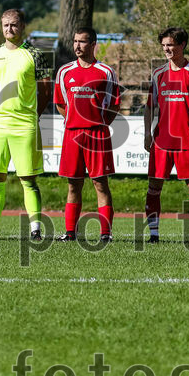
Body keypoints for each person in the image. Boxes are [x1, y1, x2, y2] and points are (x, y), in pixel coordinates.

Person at [0, 9, 52, 240]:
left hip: (25, 124)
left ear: (22, 26)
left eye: (13, 24)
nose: (9, 29)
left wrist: (32, 114)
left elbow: (45, 91)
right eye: (5, 25)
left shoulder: (35, 54)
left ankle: (35, 229)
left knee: (28, 180)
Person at [144, 27, 189, 244]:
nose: (166, 49)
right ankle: (154, 235)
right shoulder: (158, 74)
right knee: (154, 187)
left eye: (171, 45)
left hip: (186, 142)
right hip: (161, 141)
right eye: (164, 45)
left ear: (182, 45)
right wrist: (147, 134)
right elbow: (150, 107)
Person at [54, 27, 119, 242]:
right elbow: (61, 103)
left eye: (82, 42)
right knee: (73, 184)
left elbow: (113, 105)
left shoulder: (106, 71)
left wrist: (98, 124)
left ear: (93, 45)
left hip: (97, 135)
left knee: (100, 184)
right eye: (75, 41)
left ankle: (105, 234)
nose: (77, 46)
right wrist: (74, 120)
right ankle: (70, 232)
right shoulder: (65, 72)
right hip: (72, 135)